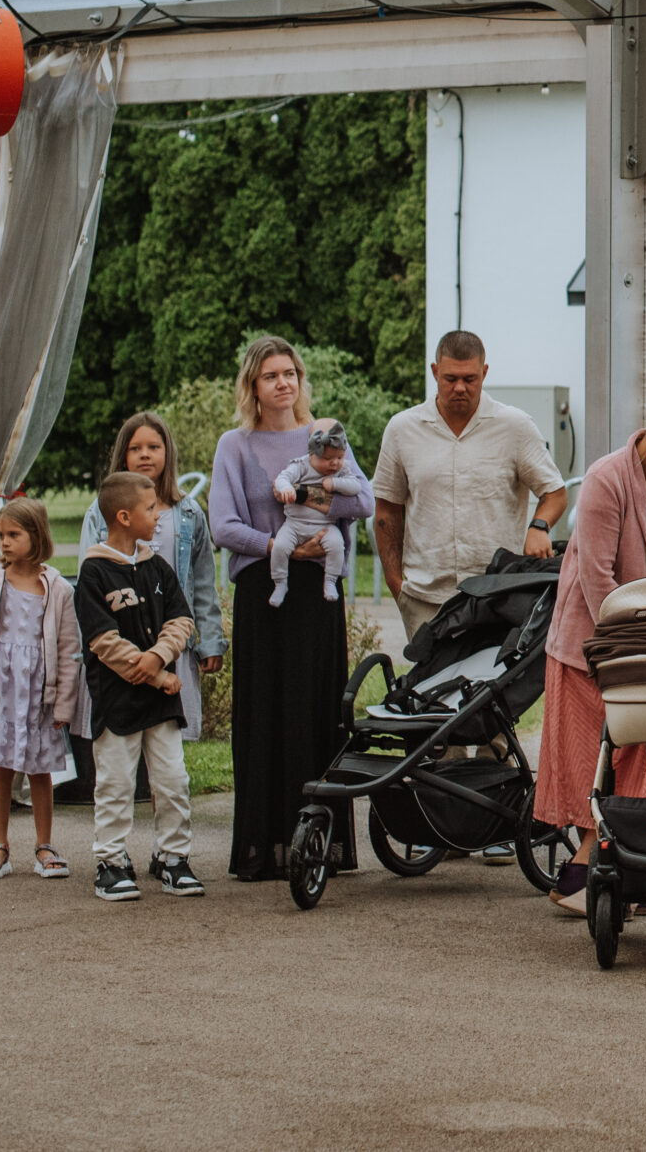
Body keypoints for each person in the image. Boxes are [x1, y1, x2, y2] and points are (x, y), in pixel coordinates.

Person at [536, 371, 646, 916]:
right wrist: (631, 644)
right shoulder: (605, 479)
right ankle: (600, 873)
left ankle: (608, 872)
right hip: (591, 644)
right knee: (594, 762)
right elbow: (597, 580)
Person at [210, 337, 375, 882]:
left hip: (318, 596)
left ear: (300, 380)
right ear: (253, 387)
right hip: (265, 591)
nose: (282, 383)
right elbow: (223, 525)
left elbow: (364, 501)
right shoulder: (234, 445)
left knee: (315, 711)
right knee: (266, 713)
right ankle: (265, 845)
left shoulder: (325, 435)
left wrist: (306, 501)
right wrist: (276, 545)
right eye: (270, 376)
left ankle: (319, 845)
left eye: (289, 373)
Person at [371, 330, 567, 643]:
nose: (460, 387)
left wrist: (539, 526)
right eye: (450, 378)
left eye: (470, 379)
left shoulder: (515, 426)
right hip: (425, 599)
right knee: (428, 677)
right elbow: (386, 511)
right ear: (434, 371)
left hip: (497, 596)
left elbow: (555, 493)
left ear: (484, 372)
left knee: (492, 677)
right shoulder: (402, 429)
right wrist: (397, 585)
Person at [77, 472, 202, 902]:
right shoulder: (93, 572)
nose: (158, 516)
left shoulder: (157, 567)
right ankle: (111, 862)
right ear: (124, 517)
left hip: (161, 705)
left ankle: (172, 857)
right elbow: (103, 641)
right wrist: (157, 674)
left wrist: (159, 656)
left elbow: (181, 619)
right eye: (151, 510)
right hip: (118, 703)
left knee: (172, 780)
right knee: (115, 784)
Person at [77, 412, 221, 755]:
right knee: (119, 742)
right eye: (135, 448)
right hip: (119, 645)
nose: (145, 454)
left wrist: (210, 639)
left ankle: (162, 791)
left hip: (170, 641)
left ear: (167, 452)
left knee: (166, 742)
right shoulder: (100, 512)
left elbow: (203, 580)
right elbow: (88, 581)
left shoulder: (188, 512)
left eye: (154, 447)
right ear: (123, 455)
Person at [0, 499, 78, 882]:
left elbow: (69, 648)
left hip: (39, 695)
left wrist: (64, 703)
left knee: (40, 770)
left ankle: (45, 846)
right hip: (2, 693)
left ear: (37, 535)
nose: (5, 542)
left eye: (14, 534)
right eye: (1, 535)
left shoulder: (58, 589)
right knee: (1, 768)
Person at [268, 418, 365, 606]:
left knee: (337, 545)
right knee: (279, 547)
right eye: (327, 459)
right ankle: (280, 583)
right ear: (312, 455)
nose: (334, 463)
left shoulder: (341, 470)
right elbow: (282, 478)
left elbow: (356, 487)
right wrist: (286, 488)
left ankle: (330, 581)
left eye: (339, 458)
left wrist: (335, 483)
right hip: (294, 525)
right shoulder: (301, 465)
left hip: (325, 527)